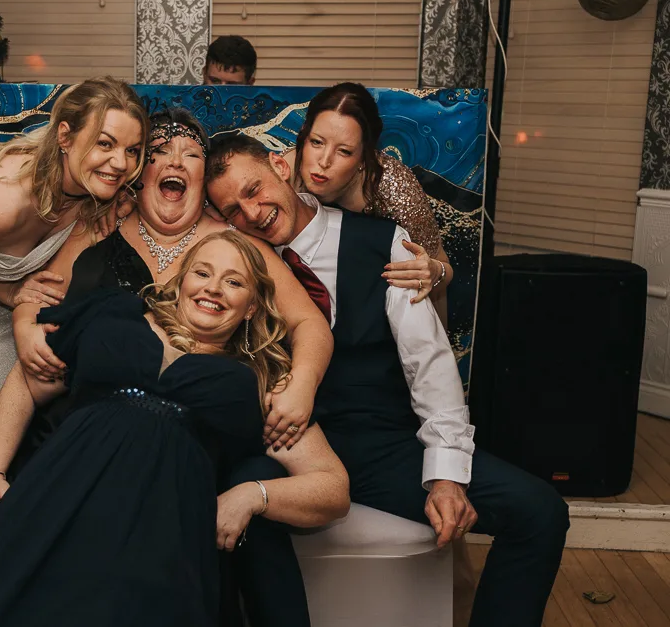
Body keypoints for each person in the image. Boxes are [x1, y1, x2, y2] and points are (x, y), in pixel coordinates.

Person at [205, 134, 569, 627]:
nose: (252, 213)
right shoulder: (235, 260)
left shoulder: (380, 240)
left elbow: (429, 360)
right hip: (292, 447)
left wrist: (444, 474)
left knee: (541, 512)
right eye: (234, 210)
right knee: (240, 505)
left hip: (381, 444)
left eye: (254, 190)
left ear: (279, 165)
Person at [0, 232, 351, 627]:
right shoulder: (114, 316)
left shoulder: (261, 380)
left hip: (158, 535)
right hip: (59, 497)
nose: (214, 288)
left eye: (234, 282)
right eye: (202, 272)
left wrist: (252, 496)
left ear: (252, 306)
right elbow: (26, 384)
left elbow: (332, 487)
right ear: (181, 282)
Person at [0, 77, 148, 568]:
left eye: (132, 149)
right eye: (105, 143)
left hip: (36, 296)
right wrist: (8, 292)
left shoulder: (100, 190)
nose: (120, 163)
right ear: (64, 137)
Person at [10, 109, 332, 457]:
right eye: (160, 151)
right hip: (78, 424)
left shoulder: (238, 246)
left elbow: (309, 321)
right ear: (139, 172)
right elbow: (41, 295)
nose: (176, 162)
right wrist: (23, 325)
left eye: (191, 154)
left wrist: (302, 383)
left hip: (192, 436)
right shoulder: (98, 227)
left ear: (202, 178)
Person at [283, 82, 455, 317]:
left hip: (371, 306)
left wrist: (435, 272)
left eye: (344, 151)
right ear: (303, 135)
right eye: (316, 142)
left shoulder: (393, 188)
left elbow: (440, 268)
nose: (324, 161)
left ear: (364, 157)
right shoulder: (283, 174)